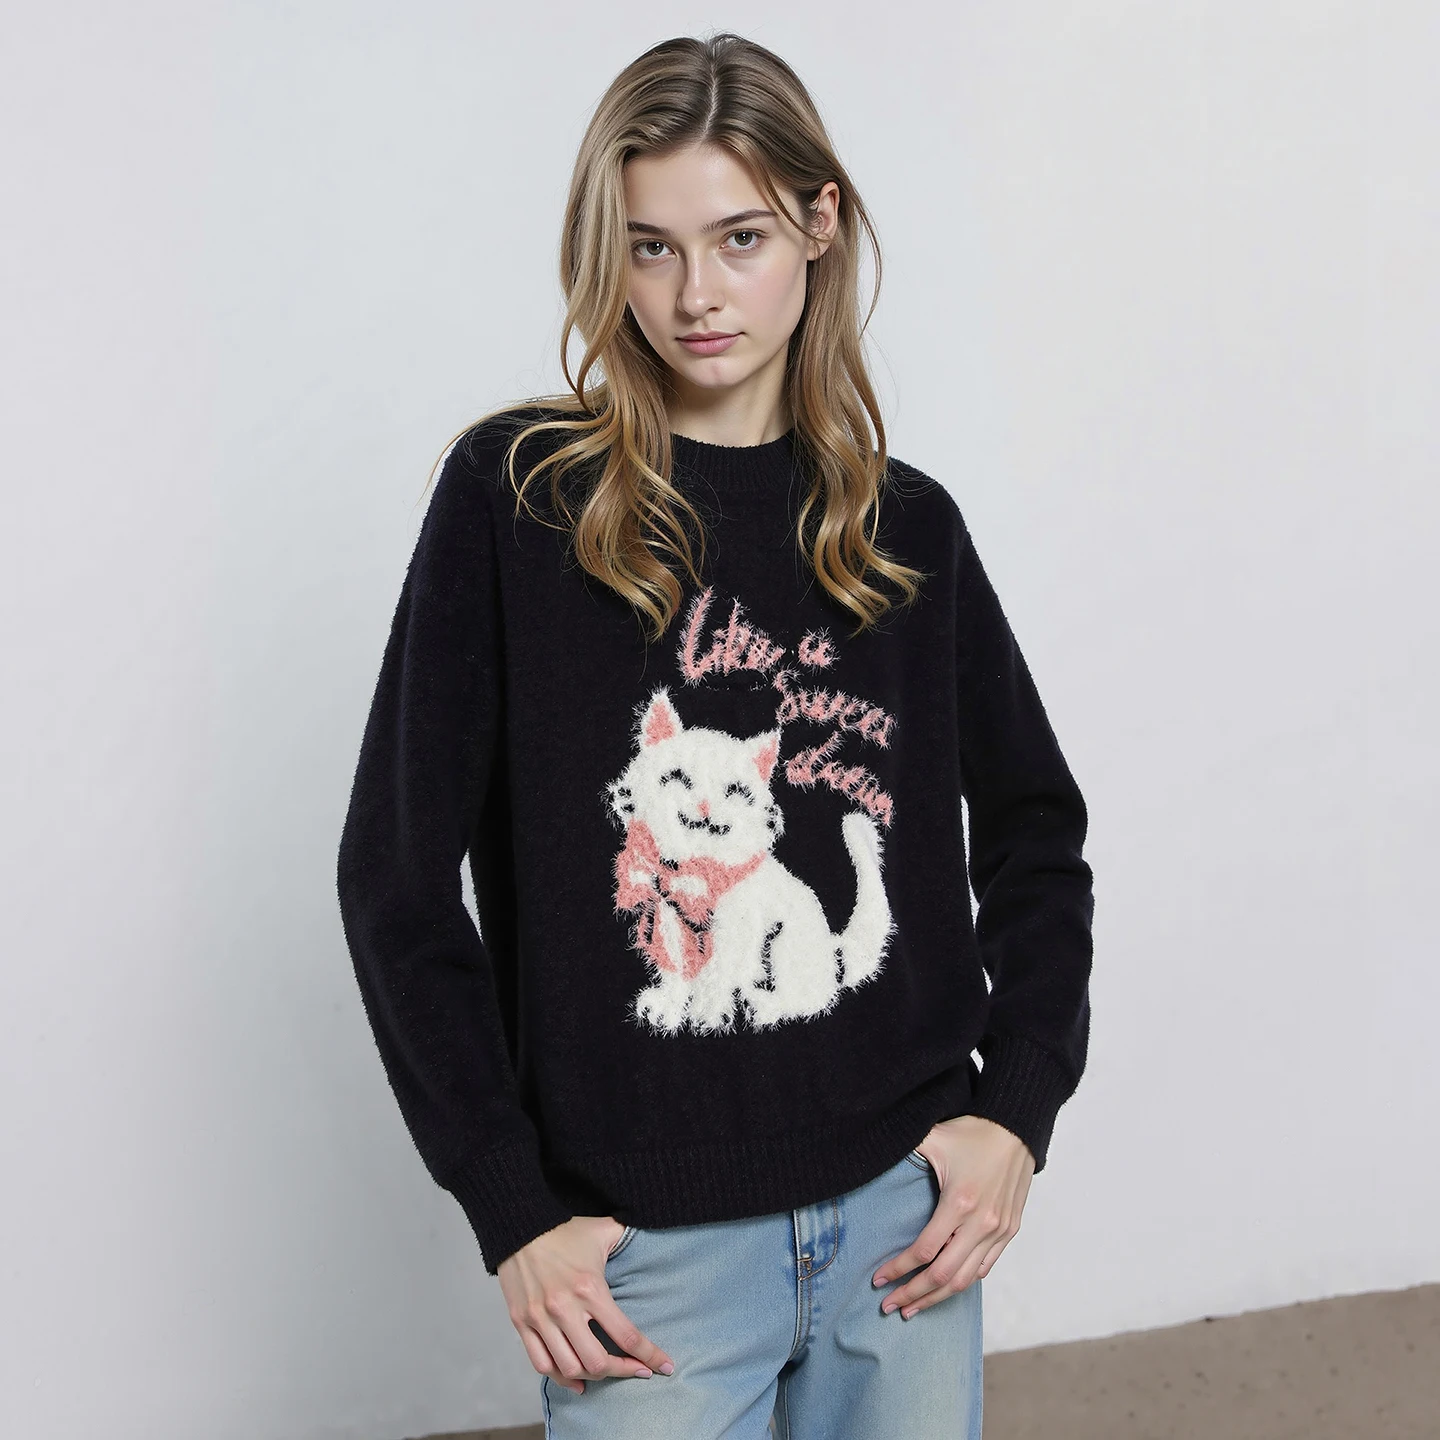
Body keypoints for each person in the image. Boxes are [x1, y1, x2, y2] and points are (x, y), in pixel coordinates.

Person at [336, 30, 1094, 1440]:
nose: (696, 296)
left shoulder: (906, 530)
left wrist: (1018, 1112)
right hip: (649, 1262)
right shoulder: (517, 503)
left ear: (819, 225)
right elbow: (393, 878)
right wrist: (511, 1208)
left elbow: (1039, 833)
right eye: (652, 247)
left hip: (902, 1231)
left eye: (740, 238)